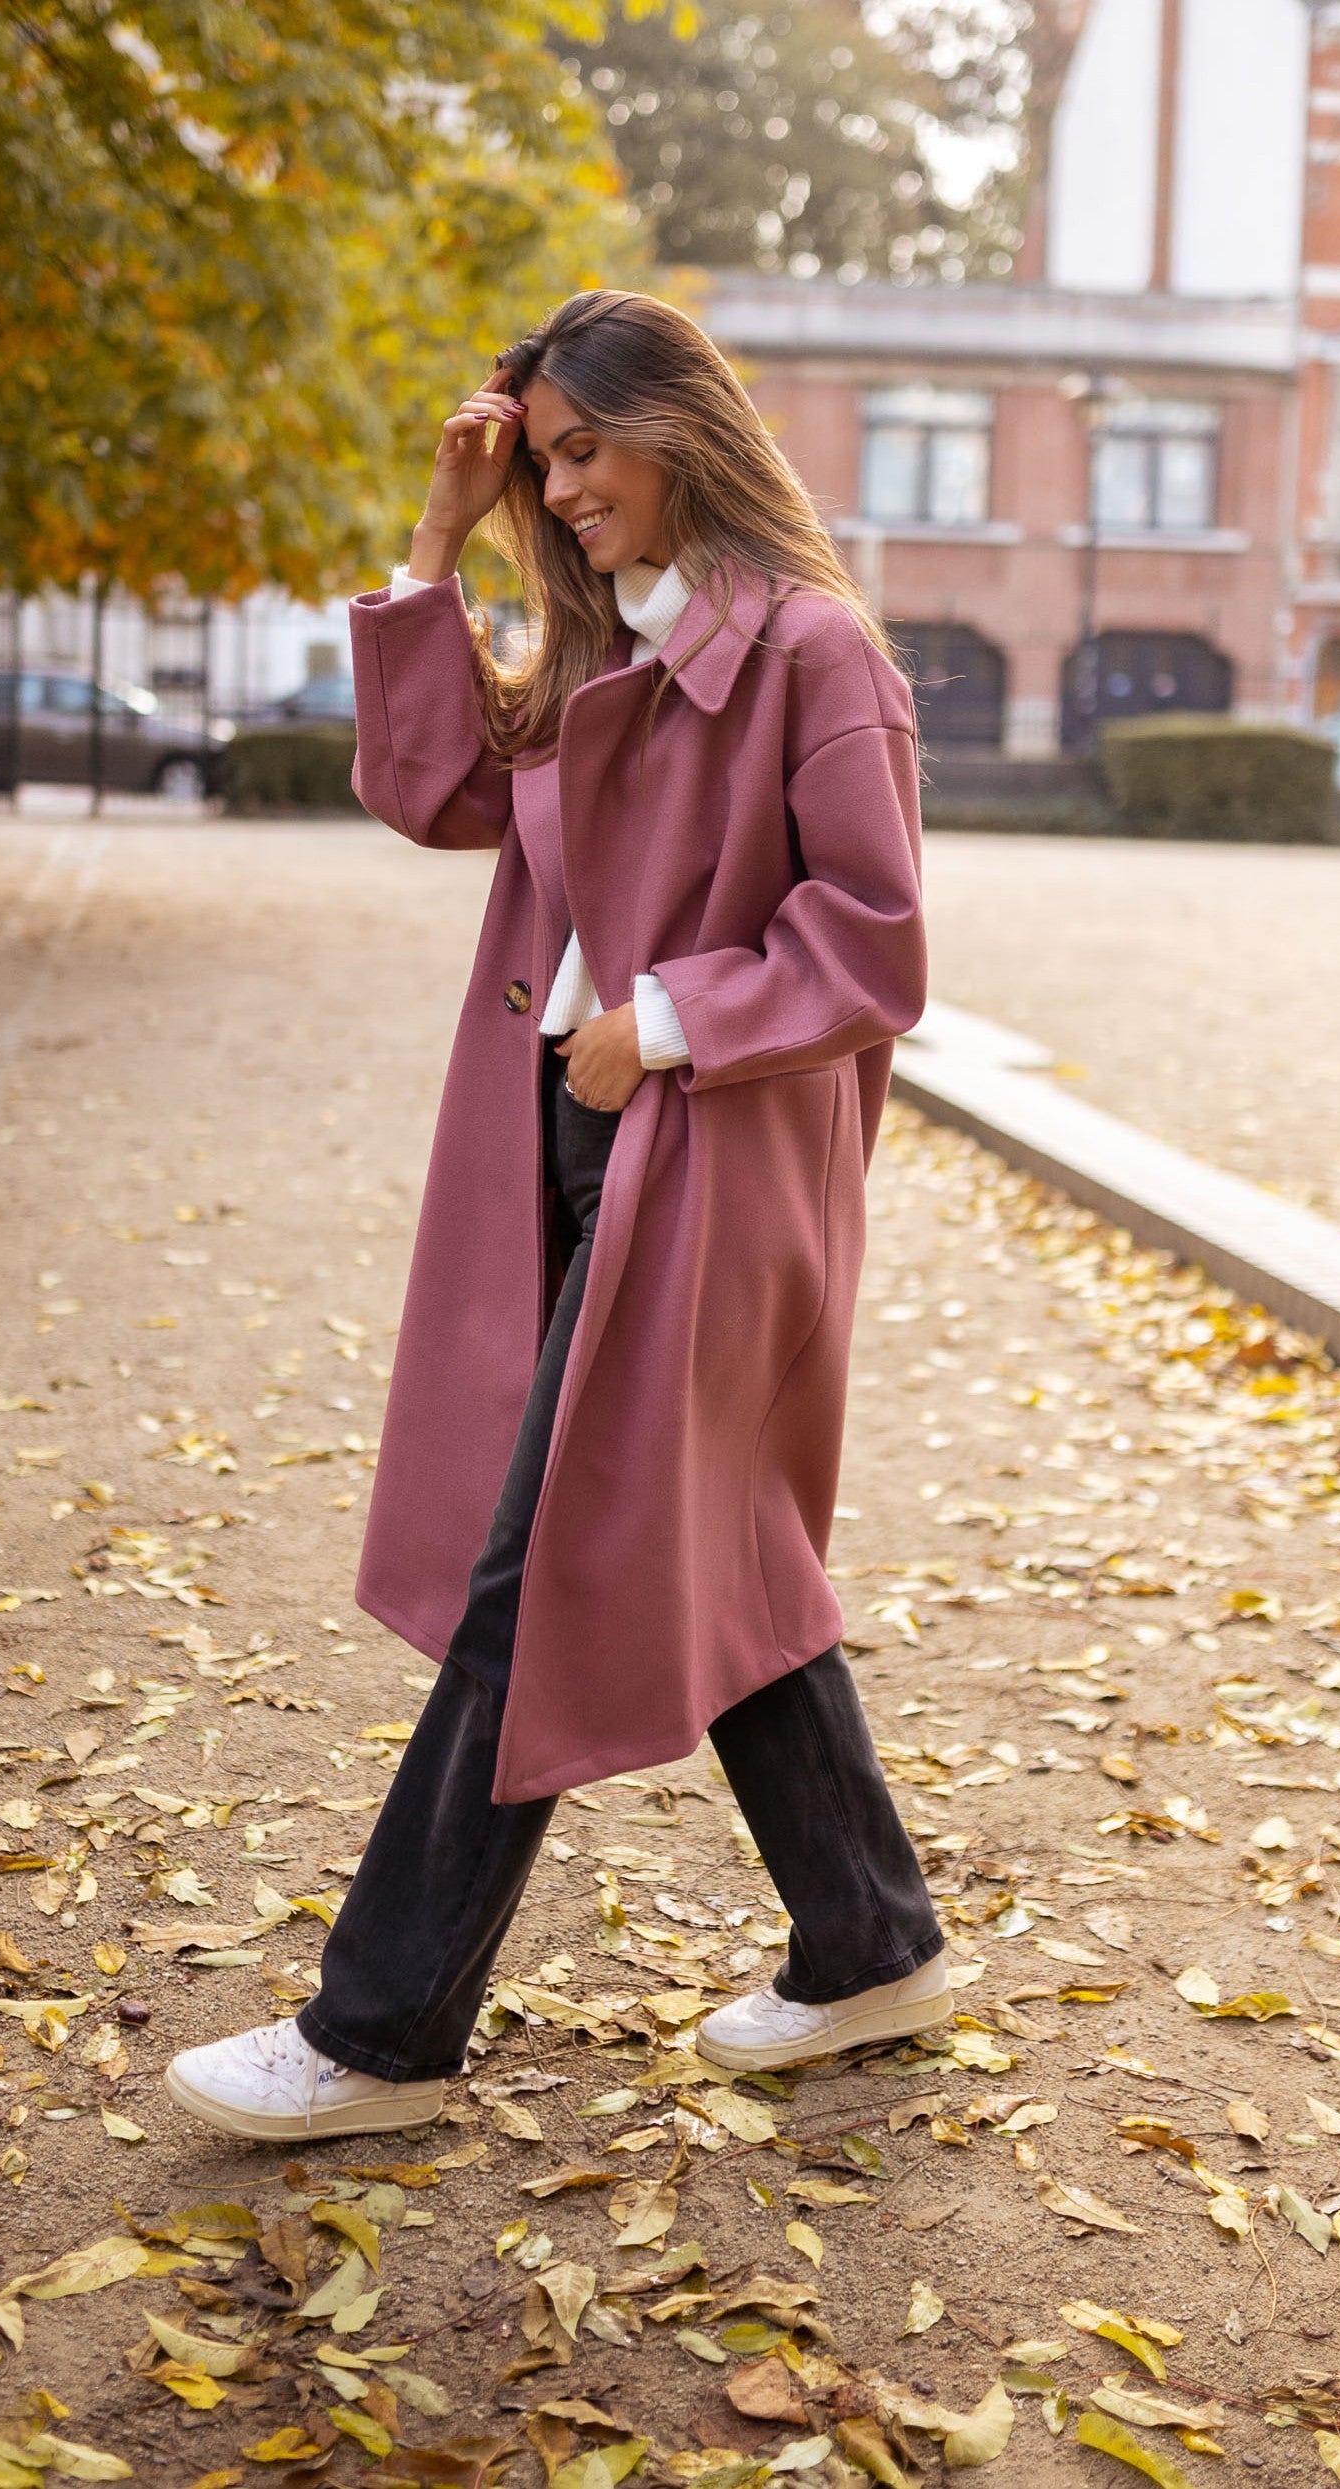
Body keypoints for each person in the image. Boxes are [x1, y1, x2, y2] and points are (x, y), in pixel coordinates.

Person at [167, 289, 948, 2142]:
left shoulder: (813, 654)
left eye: (588, 452)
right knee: (718, 1539)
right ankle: (871, 1937)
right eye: (545, 464)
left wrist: (658, 1026)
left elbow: (876, 936)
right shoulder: (603, 652)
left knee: (545, 1567)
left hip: (709, 1147)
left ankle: (380, 2031)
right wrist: (439, 548)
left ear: (683, 429)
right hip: (584, 1137)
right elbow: (432, 785)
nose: (567, 492)